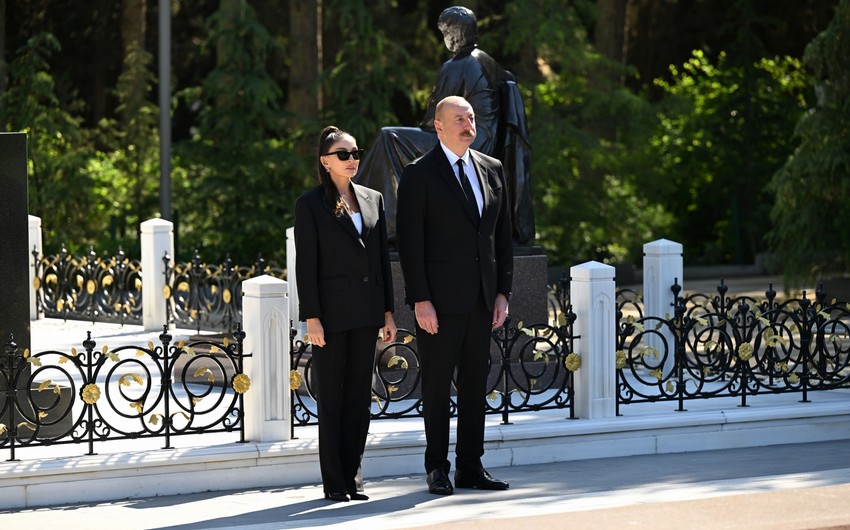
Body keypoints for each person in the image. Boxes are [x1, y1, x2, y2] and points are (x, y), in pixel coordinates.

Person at [396, 96, 513, 495]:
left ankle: (470, 466)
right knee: (436, 386)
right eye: (459, 119)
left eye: (471, 117)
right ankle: (437, 468)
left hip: (483, 300)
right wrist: (420, 299)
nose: (468, 124)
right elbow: (410, 245)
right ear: (439, 126)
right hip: (439, 305)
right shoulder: (419, 174)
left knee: (476, 384)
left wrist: (503, 292)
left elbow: (503, 238)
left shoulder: (492, 169)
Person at [356, 5, 534, 246]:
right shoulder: (487, 61)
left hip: (464, 139)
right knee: (395, 140)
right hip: (486, 139)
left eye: (446, 33)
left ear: (455, 33)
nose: (445, 40)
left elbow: (434, 119)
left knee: (390, 138)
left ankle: (368, 214)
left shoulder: (457, 65)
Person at [294, 126, 398, 502]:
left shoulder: (373, 199)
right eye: (342, 154)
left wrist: (388, 312)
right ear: (325, 161)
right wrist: (312, 317)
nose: (352, 159)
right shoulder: (309, 204)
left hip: (368, 312)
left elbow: (381, 261)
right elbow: (306, 266)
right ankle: (334, 481)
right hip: (332, 317)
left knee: (359, 398)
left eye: (355, 152)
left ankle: (354, 476)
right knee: (334, 399)